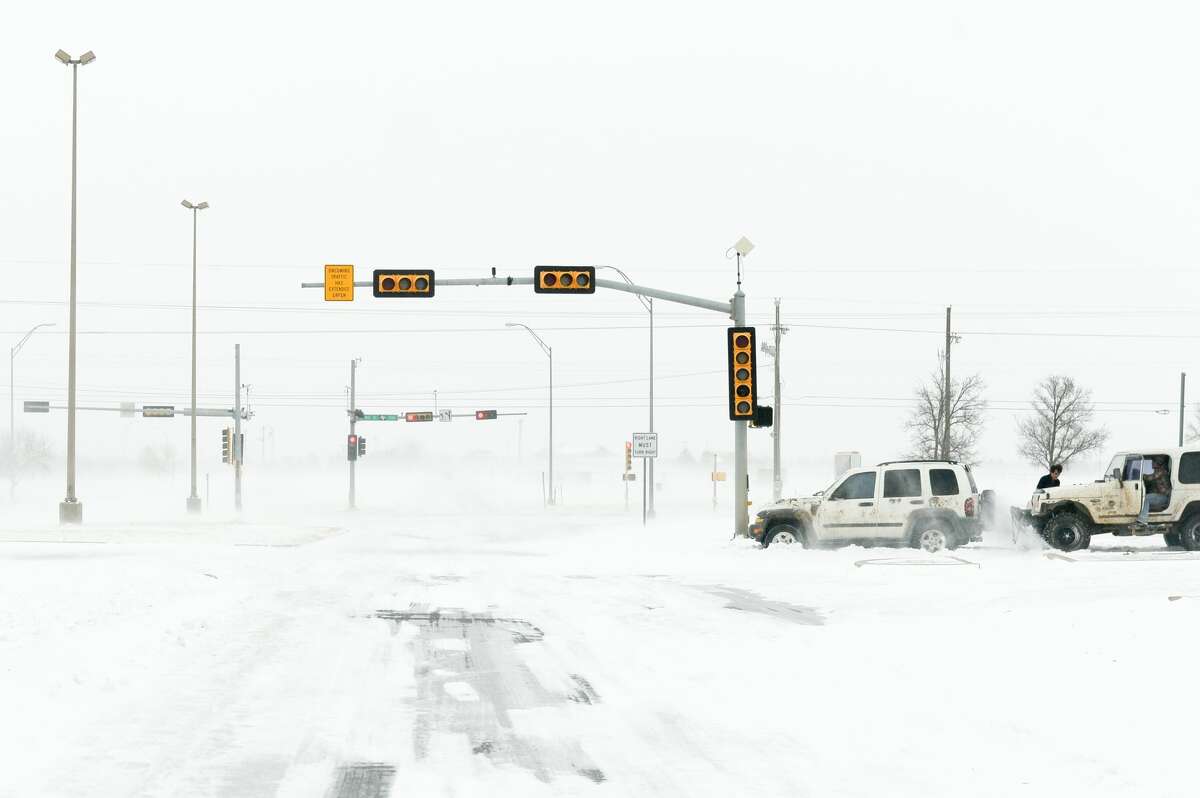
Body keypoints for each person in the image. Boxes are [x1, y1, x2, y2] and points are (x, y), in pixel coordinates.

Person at [1136, 457, 1171, 525]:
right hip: (1161, 495)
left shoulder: (1161, 471)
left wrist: (1139, 475)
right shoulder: (1158, 471)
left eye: (1154, 462)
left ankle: (1142, 520)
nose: (1152, 463)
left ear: (1158, 463)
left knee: (1146, 498)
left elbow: (1149, 478)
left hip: (1164, 497)